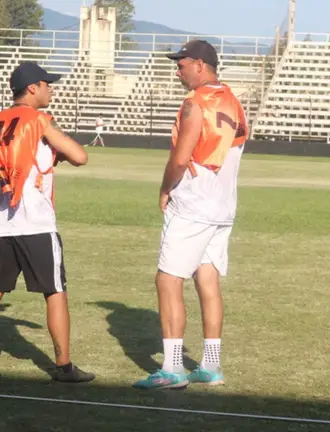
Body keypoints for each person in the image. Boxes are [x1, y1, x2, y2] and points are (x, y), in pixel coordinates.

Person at [133, 40, 249, 390]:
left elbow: (181, 159)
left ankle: (172, 369)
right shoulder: (233, 101)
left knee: (168, 280)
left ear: (200, 65)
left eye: (181, 65)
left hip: (193, 205)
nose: (177, 71)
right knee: (208, 281)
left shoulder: (194, 102)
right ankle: (210, 365)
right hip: (222, 206)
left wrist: (165, 188)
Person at [0, 61, 95, 384]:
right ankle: (64, 367)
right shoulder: (40, 120)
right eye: (46, 84)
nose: (50, 89)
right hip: (37, 223)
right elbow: (80, 156)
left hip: (2, 223)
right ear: (32, 88)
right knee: (55, 292)